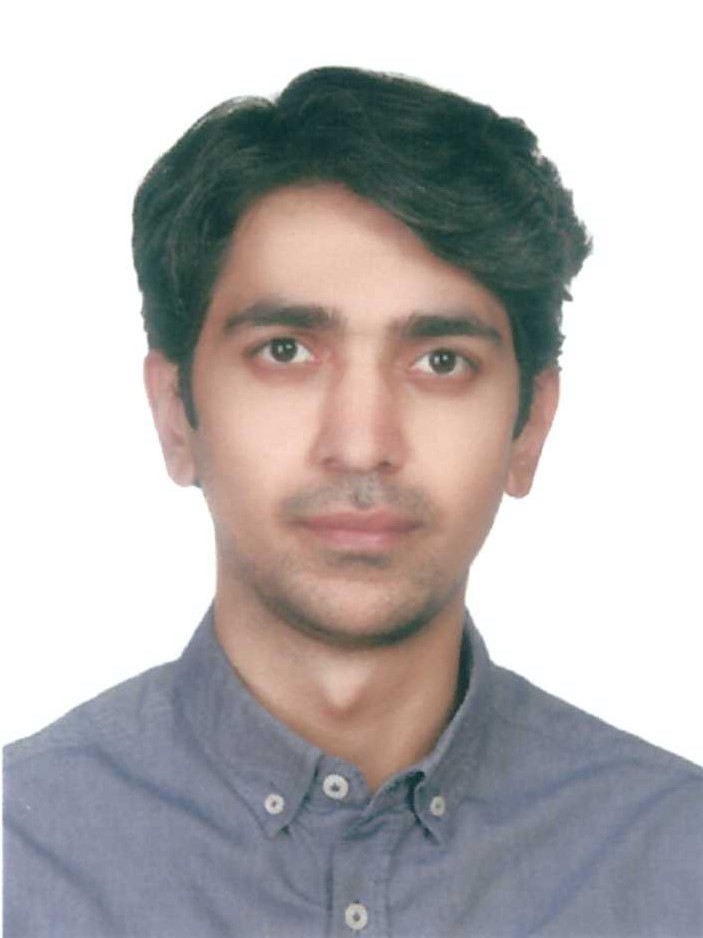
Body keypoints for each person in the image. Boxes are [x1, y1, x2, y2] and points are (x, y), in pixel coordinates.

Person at [4, 66, 701, 938]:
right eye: (286, 351)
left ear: (528, 427)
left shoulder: (676, 857)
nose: (363, 442)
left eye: (441, 361)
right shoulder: (20, 854)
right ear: (176, 415)